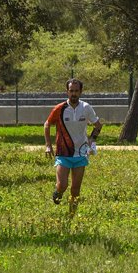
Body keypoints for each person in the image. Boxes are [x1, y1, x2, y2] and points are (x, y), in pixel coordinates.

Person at [44, 77, 102, 213]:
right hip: (63, 153)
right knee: (62, 185)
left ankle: (71, 215)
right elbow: (47, 124)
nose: (73, 94)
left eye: (76, 91)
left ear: (81, 92)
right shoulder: (60, 109)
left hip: (81, 153)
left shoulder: (86, 108)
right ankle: (58, 192)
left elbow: (98, 125)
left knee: (75, 189)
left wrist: (92, 140)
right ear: (67, 92)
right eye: (71, 91)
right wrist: (48, 145)